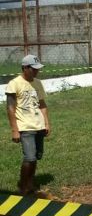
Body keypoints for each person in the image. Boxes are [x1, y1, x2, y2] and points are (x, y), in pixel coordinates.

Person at [5, 55, 50, 195]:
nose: (37, 72)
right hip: (25, 126)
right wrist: (15, 130)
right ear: (25, 68)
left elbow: (42, 104)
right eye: (34, 69)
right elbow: (10, 107)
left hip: (39, 125)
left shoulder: (38, 83)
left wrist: (46, 123)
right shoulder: (15, 83)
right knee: (29, 157)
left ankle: (30, 184)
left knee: (36, 156)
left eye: (38, 69)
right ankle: (23, 187)